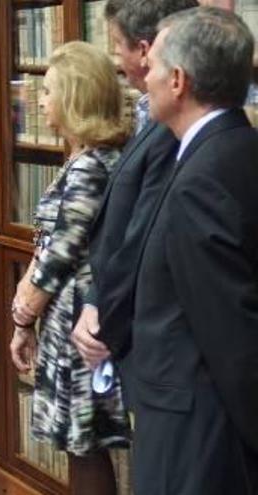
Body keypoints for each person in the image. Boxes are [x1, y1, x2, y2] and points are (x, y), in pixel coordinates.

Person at [131, 7, 258, 493]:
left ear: (179, 80)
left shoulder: (200, 182)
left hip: (198, 435)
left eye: (155, 65)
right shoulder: (239, 149)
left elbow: (232, 335)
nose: (147, 74)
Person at [7, 41, 130, 495]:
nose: (39, 102)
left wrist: (21, 320)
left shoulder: (91, 167)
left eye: (48, 91)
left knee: (85, 442)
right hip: (69, 317)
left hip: (80, 320)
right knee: (80, 443)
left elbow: (60, 254)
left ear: (74, 97)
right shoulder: (85, 158)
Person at [71, 0, 195, 385]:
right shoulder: (146, 114)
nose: (116, 59)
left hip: (147, 332)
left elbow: (139, 231)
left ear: (144, 51)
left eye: (117, 45)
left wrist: (101, 307)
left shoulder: (172, 128)